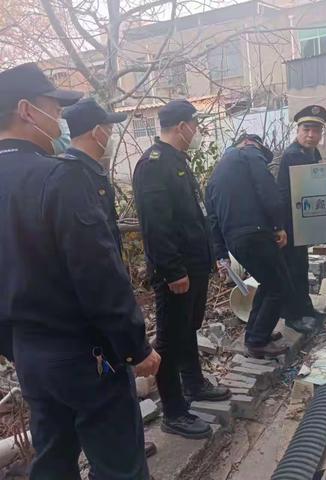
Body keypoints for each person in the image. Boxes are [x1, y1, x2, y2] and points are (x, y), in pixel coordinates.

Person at [0, 62, 160, 480]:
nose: (60, 120)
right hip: (89, 355)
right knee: (118, 461)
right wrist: (134, 348)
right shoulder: (57, 179)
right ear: (26, 111)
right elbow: (98, 276)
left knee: (53, 455)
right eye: (53, 107)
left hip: (29, 354)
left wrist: (16, 347)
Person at [133, 99, 230, 440]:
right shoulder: (153, 165)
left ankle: (194, 384)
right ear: (180, 127)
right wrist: (173, 271)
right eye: (195, 125)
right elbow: (156, 227)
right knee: (171, 339)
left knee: (189, 328)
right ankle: (174, 411)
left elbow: (194, 217)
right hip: (176, 271)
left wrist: (207, 259)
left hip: (193, 266)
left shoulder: (177, 161)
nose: (198, 131)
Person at [206, 133, 308, 358]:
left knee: (268, 283)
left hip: (236, 241)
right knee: (279, 286)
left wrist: (221, 255)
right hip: (256, 233)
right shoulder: (249, 153)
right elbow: (267, 189)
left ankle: (256, 333)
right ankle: (257, 341)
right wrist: (278, 225)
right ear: (250, 143)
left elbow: (212, 219)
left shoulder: (217, 173)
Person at [278, 105, 326, 324]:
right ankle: (292, 316)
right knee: (292, 270)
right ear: (298, 130)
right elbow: (281, 194)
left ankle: (305, 308)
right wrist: (279, 227)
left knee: (302, 267)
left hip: (304, 221)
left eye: (316, 130)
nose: (311, 135)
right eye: (306, 129)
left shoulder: (311, 153)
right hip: (289, 223)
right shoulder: (291, 156)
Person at [62, 98, 127, 251]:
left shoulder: (91, 170)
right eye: (109, 131)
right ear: (97, 132)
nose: (110, 139)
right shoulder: (73, 177)